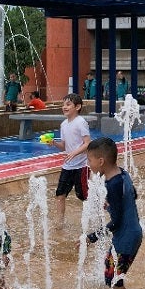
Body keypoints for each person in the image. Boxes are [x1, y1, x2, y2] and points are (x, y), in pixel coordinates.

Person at [85, 136, 145, 289]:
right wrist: (114, 204)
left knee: (115, 280)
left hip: (126, 238)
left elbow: (116, 222)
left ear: (101, 161)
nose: (88, 164)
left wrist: (91, 237)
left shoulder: (112, 185)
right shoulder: (122, 174)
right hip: (129, 234)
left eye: (90, 160)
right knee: (110, 274)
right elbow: (133, 194)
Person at [49, 93, 90, 223]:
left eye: (68, 104)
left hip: (81, 166)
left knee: (84, 196)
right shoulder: (63, 124)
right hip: (67, 166)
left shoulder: (80, 122)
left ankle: (95, 219)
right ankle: (59, 223)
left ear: (77, 107)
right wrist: (54, 143)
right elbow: (64, 146)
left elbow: (88, 143)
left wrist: (74, 153)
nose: (64, 107)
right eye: (63, 105)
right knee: (60, 195)